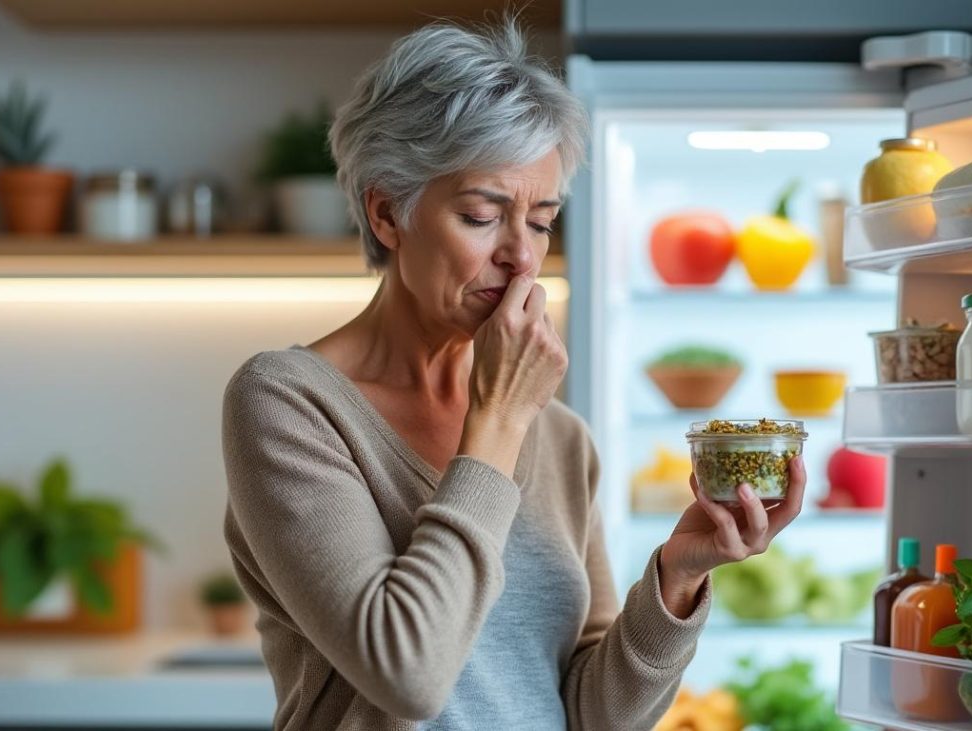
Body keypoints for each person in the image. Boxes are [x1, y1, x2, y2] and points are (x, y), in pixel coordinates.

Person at [221, 20, 806, 731]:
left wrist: (677, 578)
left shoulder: (557, 434)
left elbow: (594, 716)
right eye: (481, 214)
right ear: (386, 212)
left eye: (540, 221)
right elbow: (407, 673)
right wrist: (496, 418)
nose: (521, 258)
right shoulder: (288, 402)